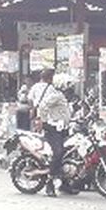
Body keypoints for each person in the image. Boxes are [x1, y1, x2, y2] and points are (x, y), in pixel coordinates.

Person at [28, 68, 70, 196]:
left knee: (68, 153)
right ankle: (50, 183)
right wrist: (42, 119)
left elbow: (31, 100)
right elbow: (43, 106)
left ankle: (65, 183)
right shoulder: (55, 94)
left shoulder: (58, 94)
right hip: (52, 127)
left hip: (61, 127)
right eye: (67, 85)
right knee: (58, 152)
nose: (69, 88)